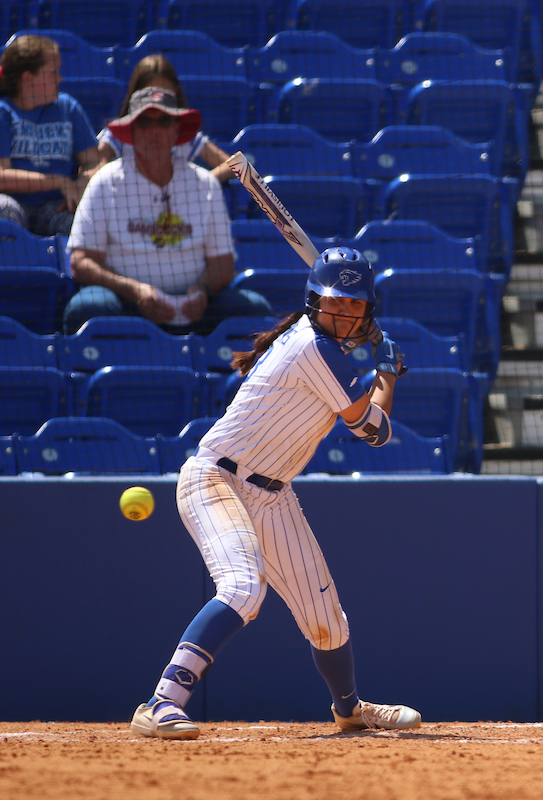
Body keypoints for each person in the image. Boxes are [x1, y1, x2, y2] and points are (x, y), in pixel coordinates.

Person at [131, 247, 420, 740]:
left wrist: (370, 368)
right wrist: (387, 374)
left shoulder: (327, 349)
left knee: (326, 617)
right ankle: (162, 701)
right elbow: (373, 429)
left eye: (355, 305)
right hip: (217, 479)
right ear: (314, 303)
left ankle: (349, 709)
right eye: (336, 302)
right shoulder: (315, 347)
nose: (345, 313)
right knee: (244, 589)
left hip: (272, 494)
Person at [63, 86, 271, 335]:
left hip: (196, 309)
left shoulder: (205, 183)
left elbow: (223, 264)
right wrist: (133, 290)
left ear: (176, 130)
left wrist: (203, 290)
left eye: (163, 121)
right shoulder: (104, 182)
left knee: (254, 308)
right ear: (131, 131)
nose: (154, 130)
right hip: (128, 303)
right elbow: (81, 261)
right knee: (87, 306)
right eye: (144, 122)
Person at [0, 34, 101, 236]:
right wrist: (58, 181)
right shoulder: (4, 112)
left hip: (55, 206)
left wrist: (81, 183)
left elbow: (94, 162)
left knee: (77, 222)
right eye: (53, 72)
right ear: (28, 78)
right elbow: (2, 175)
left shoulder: (68, 108)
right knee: (4, 212)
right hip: (15, 203)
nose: (60, 78)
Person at [95, 54, 234, 183]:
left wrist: (199, 187)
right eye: (149, 92)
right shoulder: (117, 136)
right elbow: (96, 164)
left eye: (164, 92)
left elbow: (235, 166)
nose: (157, 101)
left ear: (176, 92)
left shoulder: (185, 134)